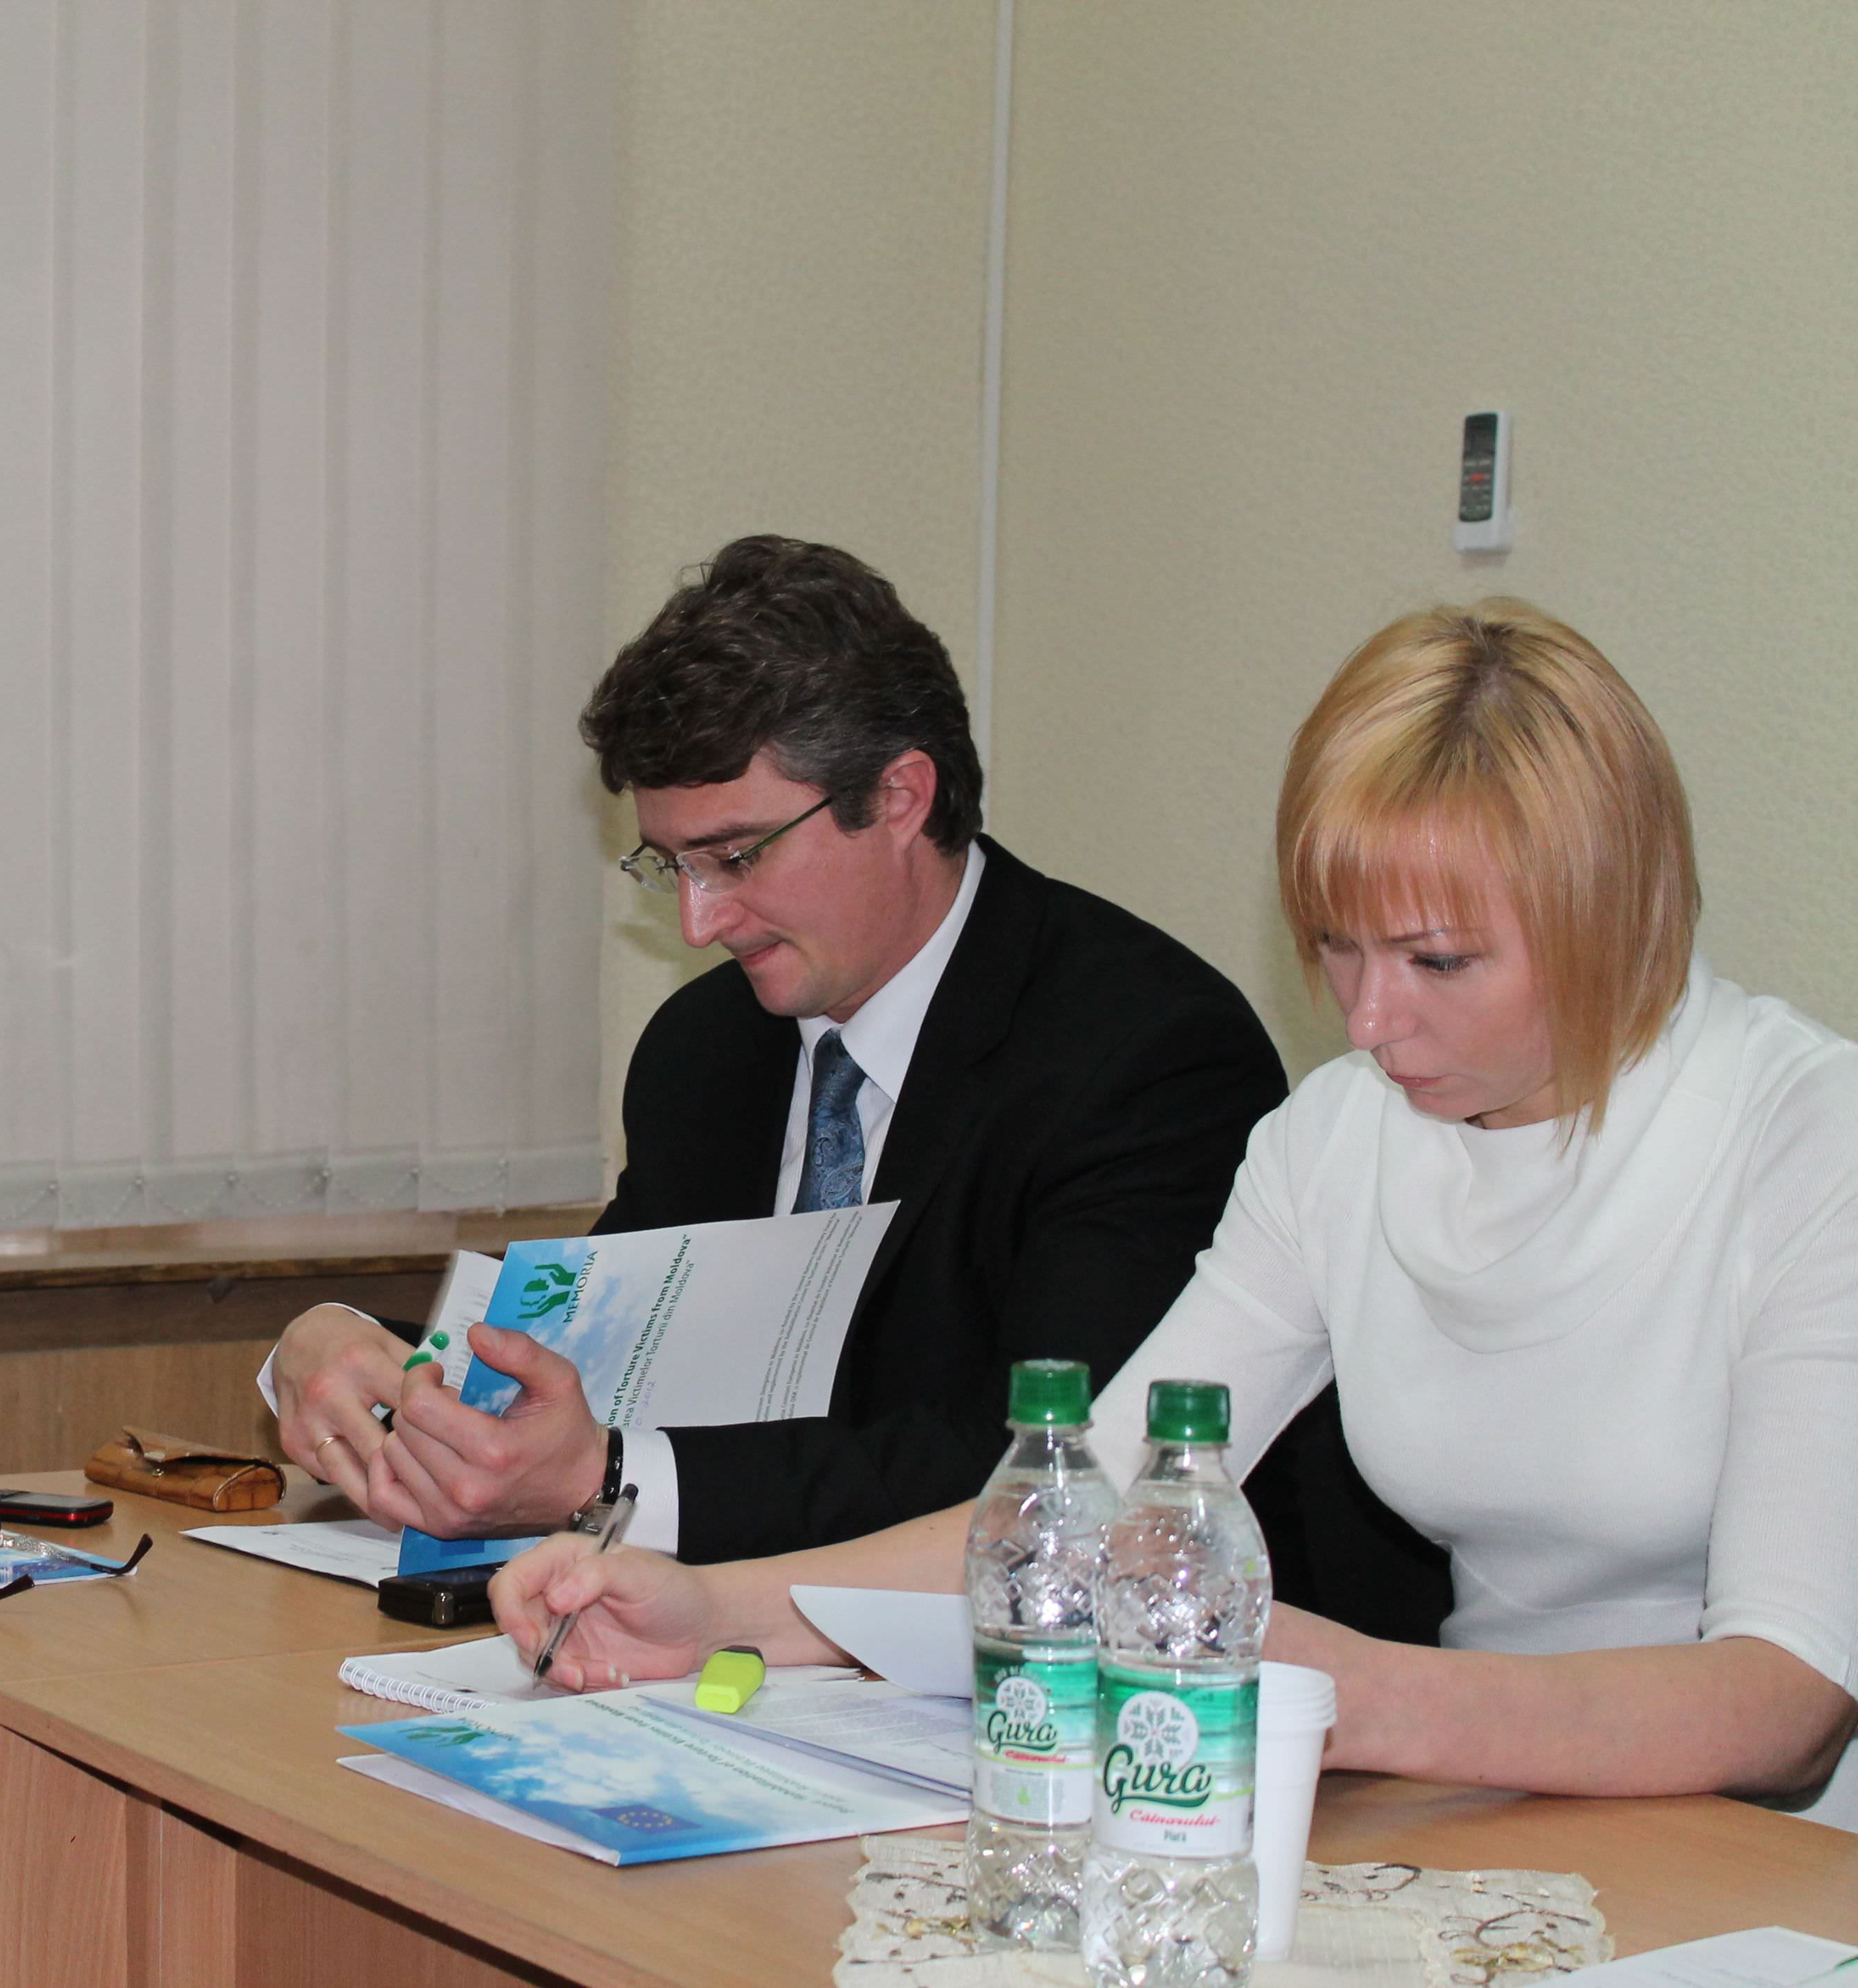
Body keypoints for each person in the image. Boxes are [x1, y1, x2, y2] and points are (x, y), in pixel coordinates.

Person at [489, 600, 1858, 1825]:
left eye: (1439, 960)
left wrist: (1359, 1695)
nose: (1368, 1021)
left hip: (1768, 1852)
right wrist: (720, 1610)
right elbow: (1085, 1498)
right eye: (1338, 948)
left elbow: (1786, 1700)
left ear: (1612, 913)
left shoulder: (1807, 1135)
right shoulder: (1339, 1137)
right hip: (1489, 1796)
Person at [262, 536, 1298, 1568]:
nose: (698, 922)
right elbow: (591, 1365)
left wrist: (611, 1480)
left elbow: (1052, 1470)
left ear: (900, 798)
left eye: (735, 857)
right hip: (716, 1641)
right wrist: (343, 1350)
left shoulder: (1146, 1053)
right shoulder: (704, 1049)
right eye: (669, 865)